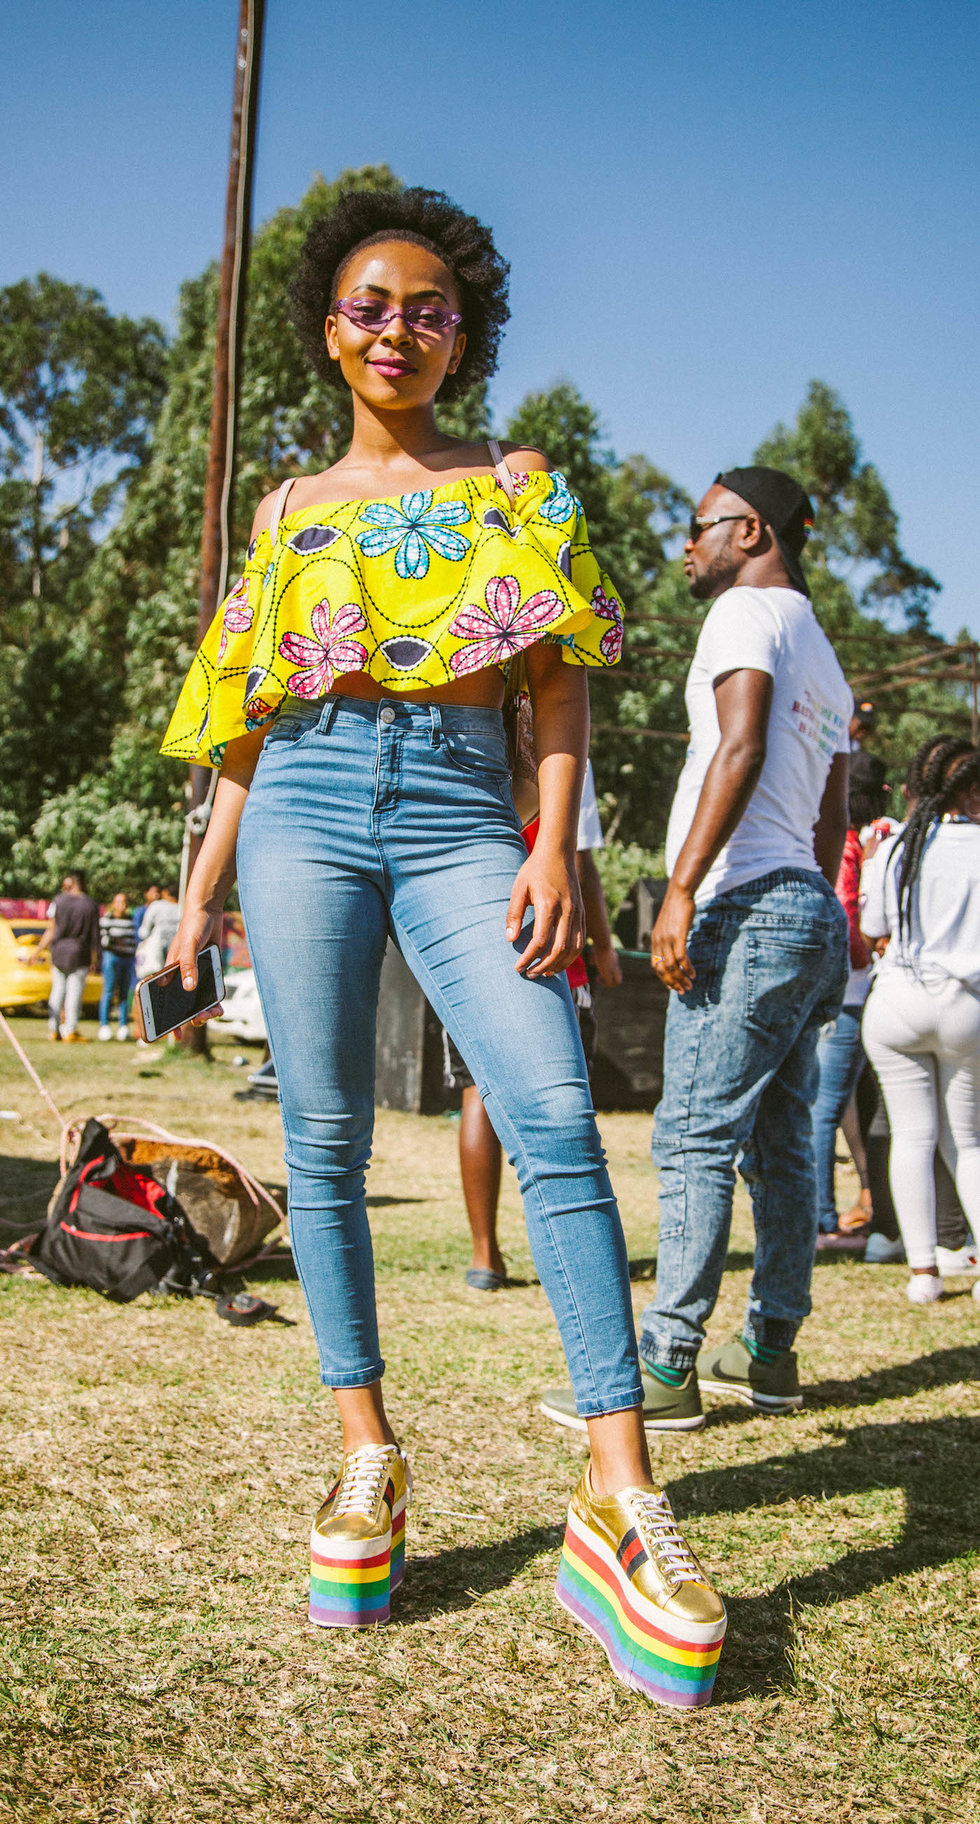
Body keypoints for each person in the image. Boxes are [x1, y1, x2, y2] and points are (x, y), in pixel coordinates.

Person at [159, 188, 726, 1704]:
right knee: (328, 1145)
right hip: (304, 806)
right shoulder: (287, 512)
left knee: (551, 1109)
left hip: (473, 810)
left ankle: (619, 1493)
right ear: (329, 332)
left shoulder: (518, 482)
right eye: (367, 306)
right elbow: (242, 725)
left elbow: (557, 686)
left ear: (462, 327)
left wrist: (559, 845)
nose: (394, 329)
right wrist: (200, 891)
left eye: (425, 306)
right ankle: (367, 1460)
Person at [544, 467, 851, 1435]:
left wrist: (680, 888)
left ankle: (667, 1364)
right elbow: (832, 814)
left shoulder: (739, 614)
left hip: (745, 906)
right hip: (805, 910)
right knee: (783, 1146)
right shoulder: (823, 651)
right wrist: (805, 906)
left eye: (697, 527)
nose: (685, 546)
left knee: (691, 1139)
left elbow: (739, 746)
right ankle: (767, 1354)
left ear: (747, 529)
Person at [446, 760, 623, 1291]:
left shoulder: (467, 728)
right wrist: (606, 946)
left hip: (472, 941)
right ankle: (571, 1257)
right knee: (563, 1101)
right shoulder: (568, 752)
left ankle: (485, 1257)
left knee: (478, 1092)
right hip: (554, 952)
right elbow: (578, 862)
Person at [860, 737, 980, 1304]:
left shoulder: (894, 848)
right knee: (970, 1142)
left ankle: (923, 1273)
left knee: (911, 1134)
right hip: (968, 1008)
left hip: (897, 1002)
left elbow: (873, 928)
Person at [812, 751, 887, 1249]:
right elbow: (843, 910)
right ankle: (820, 1219)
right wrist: (862, 962)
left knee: (838, 1105)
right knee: (824, 1108)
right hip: (848, 994)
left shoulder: (855, 842)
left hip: (846, 993)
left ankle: (857, 1205)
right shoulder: (848, 846)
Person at [32, 870, 101, 1042]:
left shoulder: (59, 901)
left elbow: (51, 929)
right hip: (79, 954)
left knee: (57, 991)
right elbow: (95, 936)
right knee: (74, 993)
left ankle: (53, 1029)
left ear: (72, 882)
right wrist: (96, 959)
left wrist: (37, 951)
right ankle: (70, 1030)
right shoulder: (90, 905)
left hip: (59, 953)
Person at [98, 891, 137, 1040]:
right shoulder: (107, 919)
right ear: (114, 904)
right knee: (108, 991)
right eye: (119, 902)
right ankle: (104, 1025)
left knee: (124, 993)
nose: (122, 905)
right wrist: (117, 942)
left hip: (127, 958)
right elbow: (105, 941)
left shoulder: (131, 920)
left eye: (125, 902)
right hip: (112, 957)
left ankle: (123, 1025)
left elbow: (134, 940)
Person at [137, 885, 180, 976]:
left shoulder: (157, 905)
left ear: (165, 892)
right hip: (174, 950)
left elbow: (144, 932)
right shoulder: (181, 908)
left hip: (156, 951)